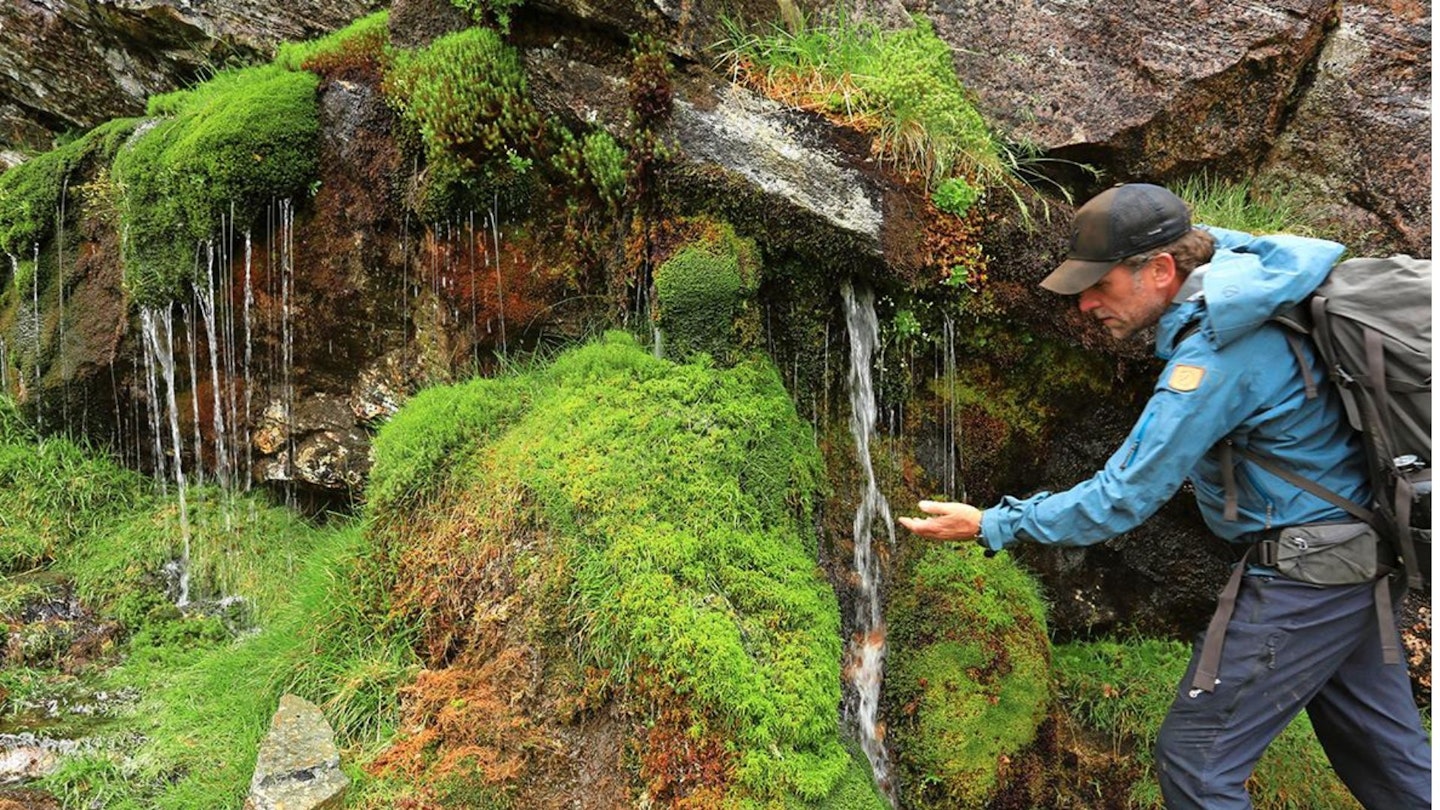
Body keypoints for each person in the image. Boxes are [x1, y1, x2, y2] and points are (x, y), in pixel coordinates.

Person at [898, 183, 1431, 809]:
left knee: (1197, 763)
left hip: (1306, 576)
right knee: (1388, 762)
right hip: (1358, 561)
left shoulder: (1216, 358)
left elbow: (1122, 497)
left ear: (1159, 270)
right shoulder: (1251, 278)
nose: (1086, 304)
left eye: (1101, 285)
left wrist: (995, 523)